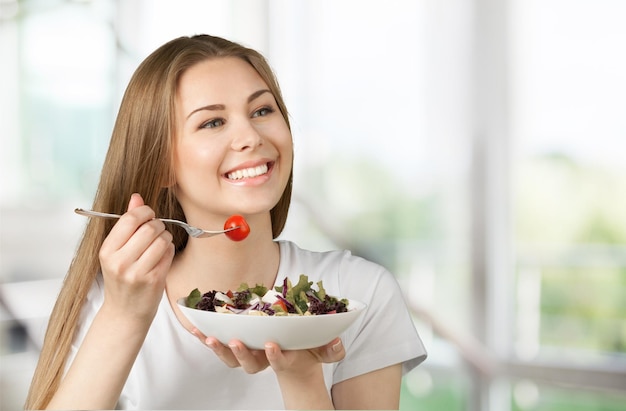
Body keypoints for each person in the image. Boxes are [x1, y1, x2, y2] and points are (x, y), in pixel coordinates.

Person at [25, 34, 426, 410]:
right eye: (212, 122)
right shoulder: (113, 299)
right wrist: (125, 316)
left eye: (262, 110)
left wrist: (303, 375)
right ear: (162, 163)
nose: (250, 136)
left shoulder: (360, 293)